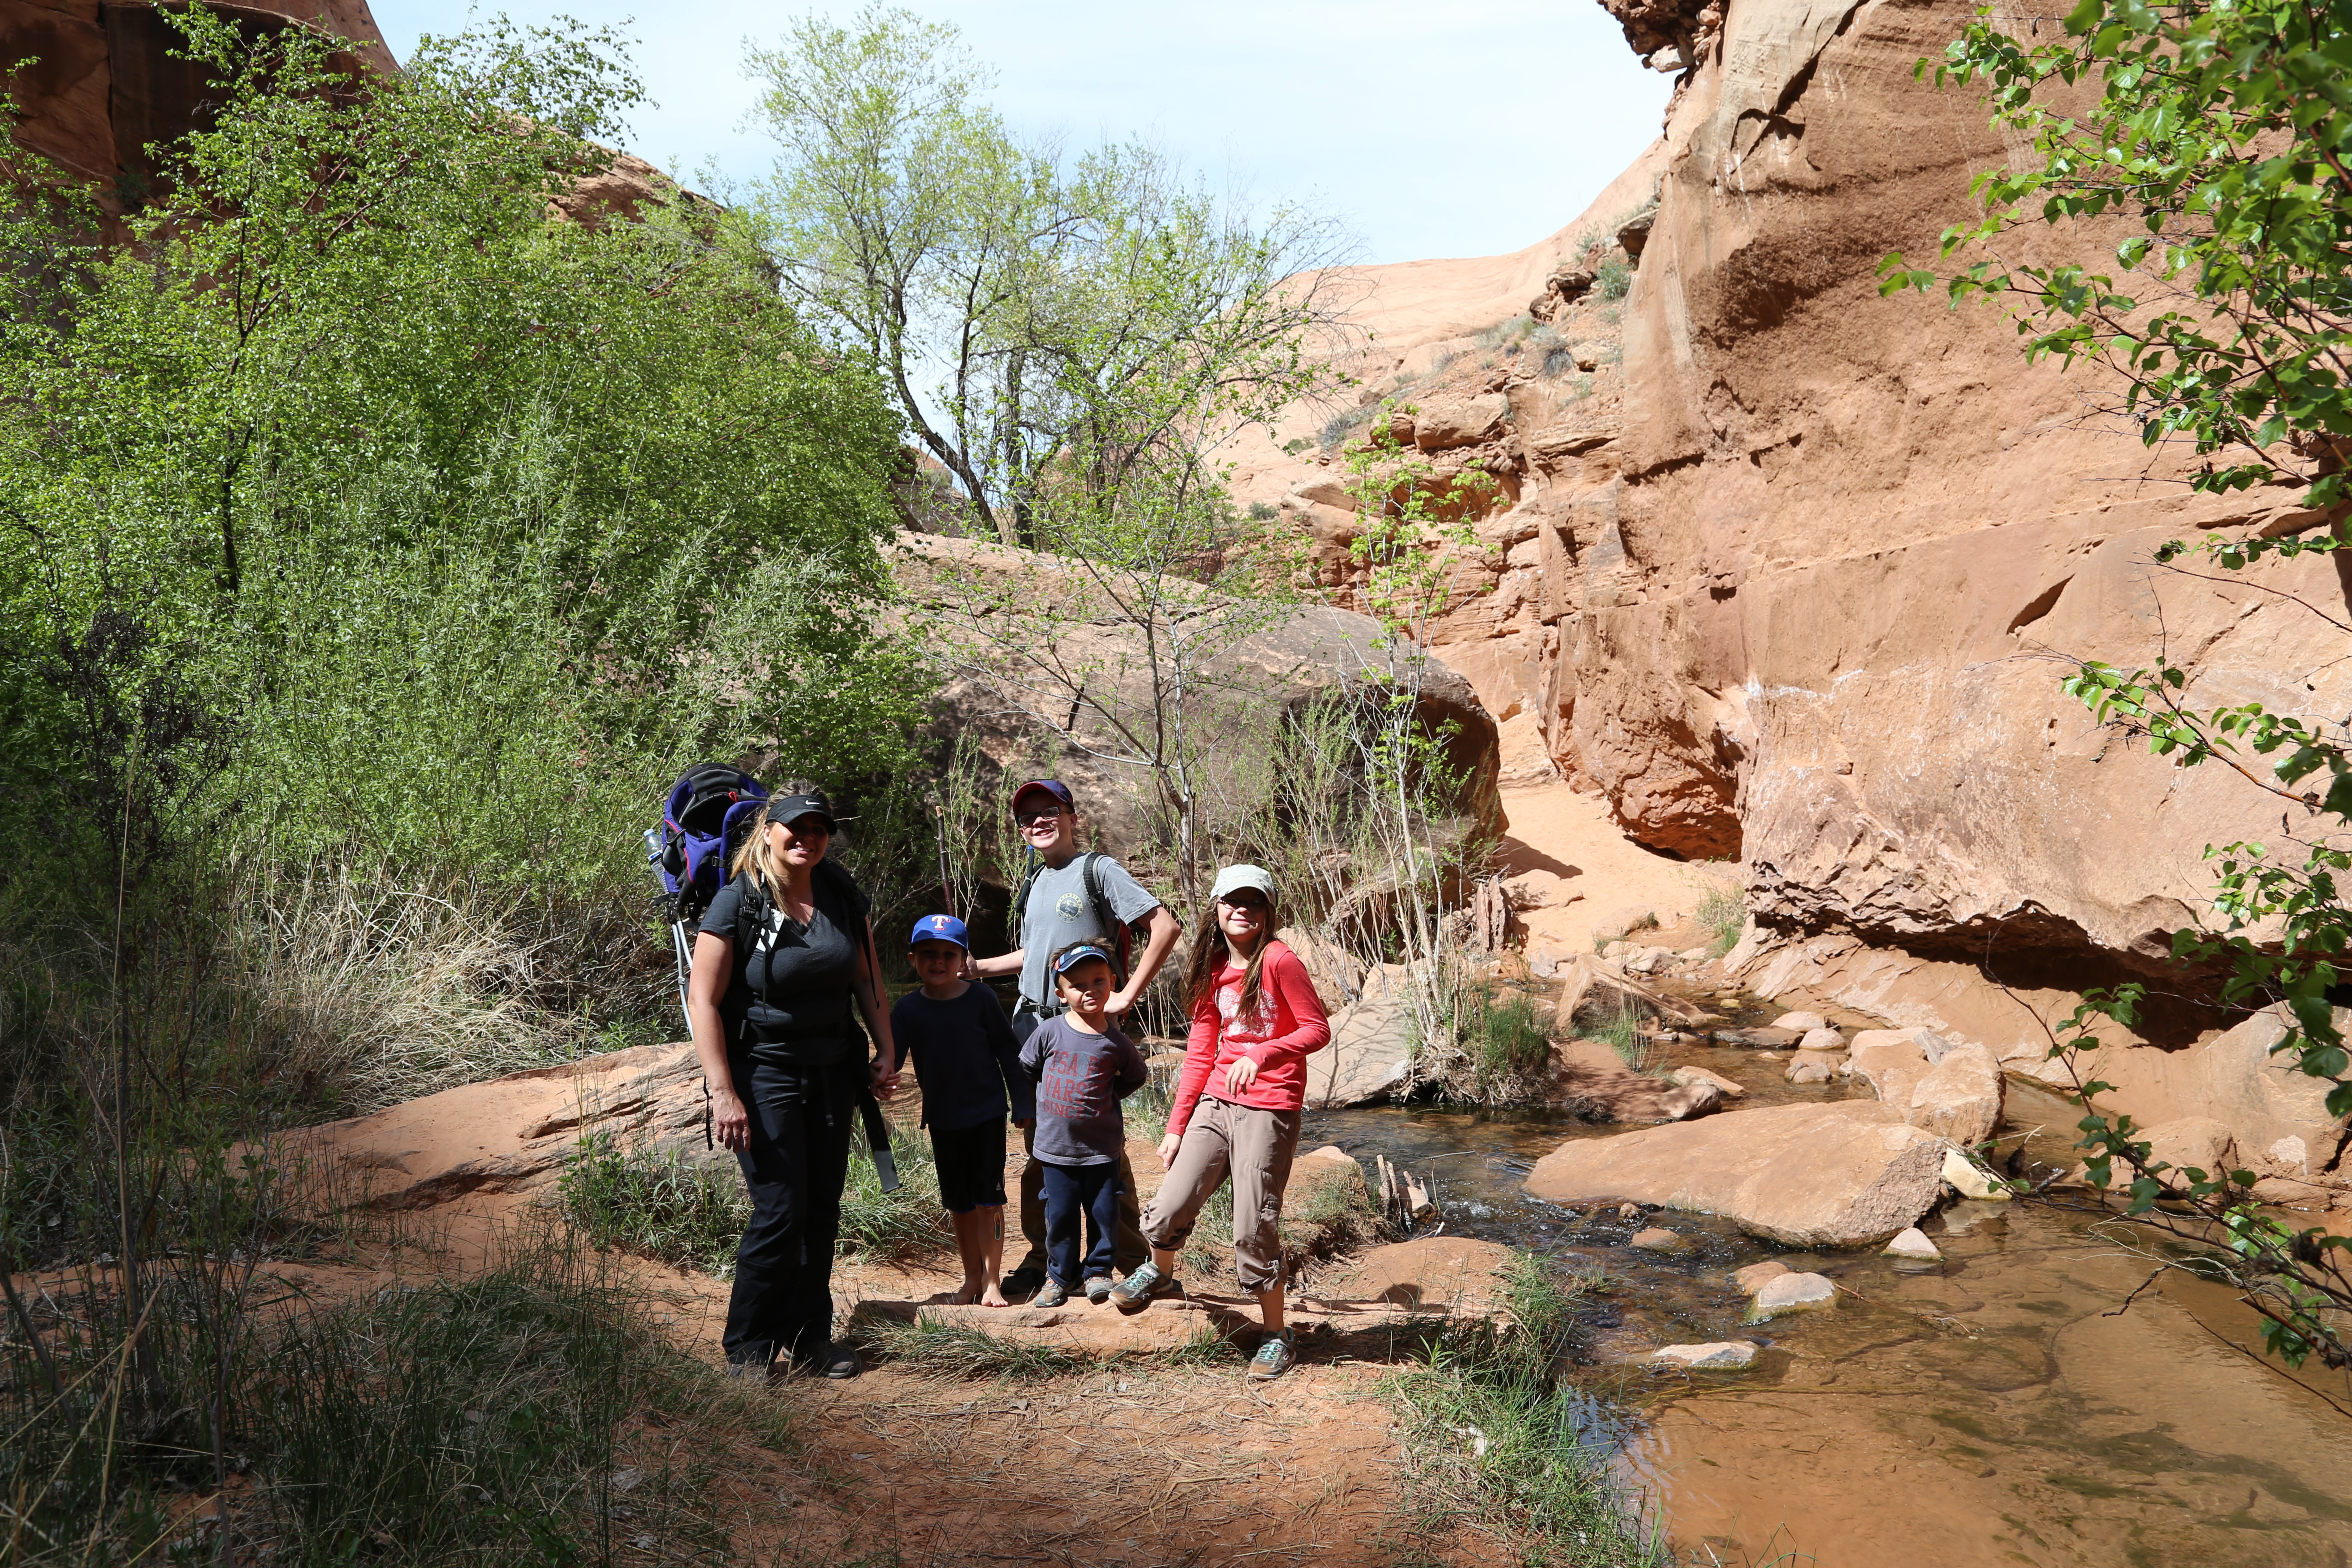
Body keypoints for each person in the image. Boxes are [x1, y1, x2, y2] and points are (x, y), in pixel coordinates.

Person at [686, 783, 899, 1381]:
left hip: (833, 1069)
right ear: (769, 831)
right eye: (795, 828)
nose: (807, 838)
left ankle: (811, 1339)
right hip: (766, 1070)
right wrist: (723, 1090)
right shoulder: (739, 901)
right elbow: (702, 1000)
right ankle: (749, 1347)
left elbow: (867, 980)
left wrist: (886, 1047)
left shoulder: (838, 892)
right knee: (780, 1209)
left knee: (822, 1207)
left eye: (819, 830)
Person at [1111, 864, 1330, 1381]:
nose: (1242, 911)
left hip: (1270, 1106)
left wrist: (1266, 1053)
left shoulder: (1280, 960)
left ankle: (1278, 1333)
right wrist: (1175, 1125)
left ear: (1268, 911)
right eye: (1233, 901)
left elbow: (1317, 1029)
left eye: (1254, 903)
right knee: (1169, 1204)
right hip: (1215, 1102)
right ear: (1216, 907)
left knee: (1253, 1226)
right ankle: (1162, 1277)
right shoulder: (1211, 967)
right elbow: (1200, 1053)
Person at [966, 778, 1181, 1298]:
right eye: (1029, 816)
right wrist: (976, 969)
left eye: (1050, 811)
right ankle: (1047, 1260)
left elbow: (1165, 926)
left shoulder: (1096, 871)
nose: (1039, 821)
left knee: (1102, 1142)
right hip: (1033, 1024)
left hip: (1085, 1028)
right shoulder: (1034, 881)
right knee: (1042, 1145)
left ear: (1071, 816)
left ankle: (1128, 1260)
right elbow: (1038, 954)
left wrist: (1126, 994)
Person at [891, 913, 1031, 1307]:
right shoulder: (907, 1010)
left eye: (948, 954)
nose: (938, 962)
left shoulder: (982, 999)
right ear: (913, 959)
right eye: (928, 954)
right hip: (943, 1121)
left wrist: (1021, 1101)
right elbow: (892, 1060)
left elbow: (1008, 1051)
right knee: (960, 1204)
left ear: (964, 960)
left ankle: (992, 1282)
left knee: (990, 1201)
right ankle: (971, 1280)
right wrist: (876, 1076)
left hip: (986, 1115)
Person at [1017, 942, 1150, 1308]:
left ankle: (1098, 1273)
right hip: (1055, 1148)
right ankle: (1060, 1276)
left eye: (1098, 980)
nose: (1090, 990)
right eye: (1078, 985)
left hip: (1101, 1150)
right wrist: (1035, 1106)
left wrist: (1108, 1097)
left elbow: (1136, 1076)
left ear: (1112, 983)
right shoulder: (1049, 1032)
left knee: (1103, 1215)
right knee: (1058, 1215)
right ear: (1061, 994)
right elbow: (1027, 1069)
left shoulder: (1116, 1042)